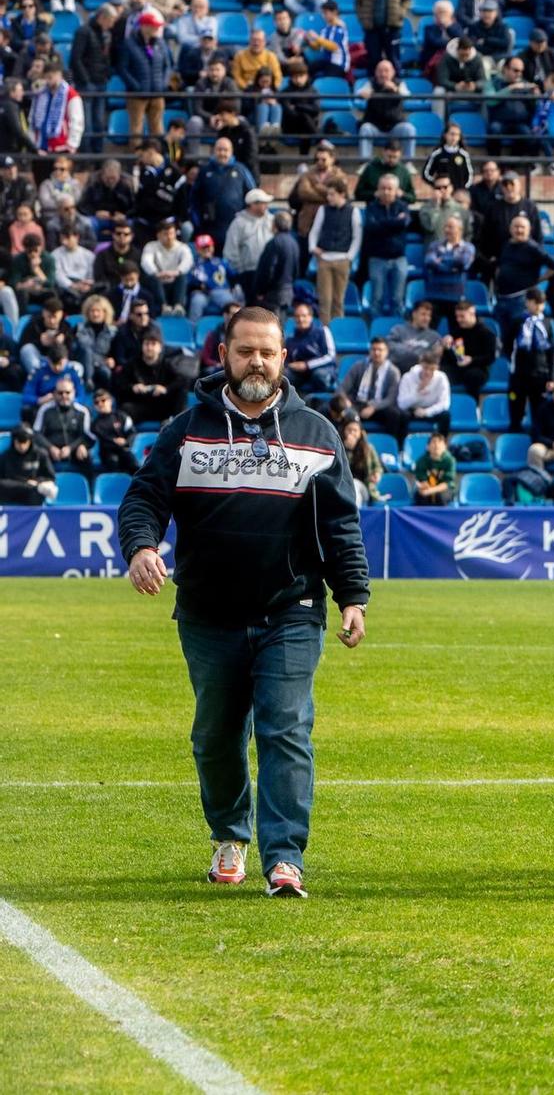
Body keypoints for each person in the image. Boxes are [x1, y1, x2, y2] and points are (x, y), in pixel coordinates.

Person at [116, 306, 370, 900]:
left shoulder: (315, 431)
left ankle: (286, 859)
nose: (256, 361)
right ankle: (229, 835)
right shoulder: (185, 429)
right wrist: (141, 546)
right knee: (216, 734)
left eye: (267, 351)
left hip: (293, 608)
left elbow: (341, 525)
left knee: (286, 726)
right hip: (208, 613)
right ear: (223, 356)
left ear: (284, 358)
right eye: (245, 351)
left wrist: (353, 595)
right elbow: (143, 499)